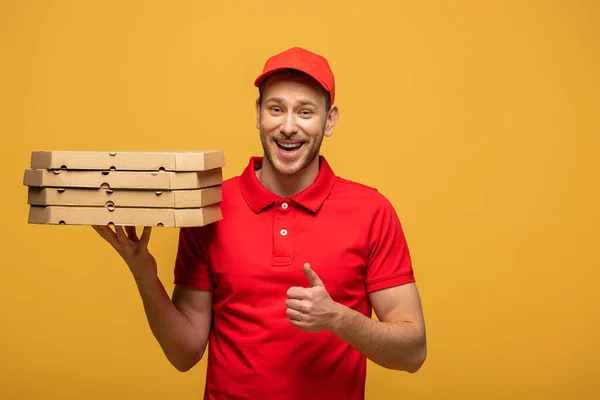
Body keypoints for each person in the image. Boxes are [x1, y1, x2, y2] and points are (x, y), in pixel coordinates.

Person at [93, 47, 427, 400]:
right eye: (276, 109)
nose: (287, 127)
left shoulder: (372, 210)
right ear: (258, 114)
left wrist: (337, 319)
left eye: (305, 112)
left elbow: (413, 353)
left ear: (329, 120)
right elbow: (184, 353)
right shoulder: (210, 207)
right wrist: (144, 274)